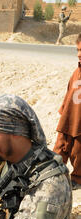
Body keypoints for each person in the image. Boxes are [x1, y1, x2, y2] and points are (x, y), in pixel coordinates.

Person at [54, 33, 81, 190]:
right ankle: (54, 175)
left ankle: (77, 178)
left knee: (78, 153)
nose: (79, 54)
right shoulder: (75, 72)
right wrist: (64, 112)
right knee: (59, 150)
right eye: (77, 50)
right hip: (68, 120)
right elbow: (69, 93)